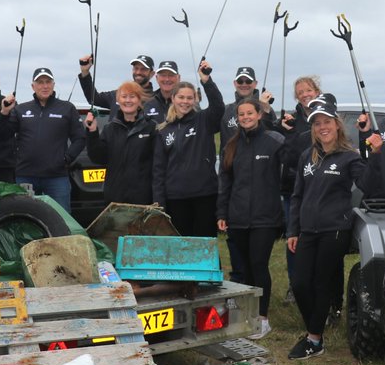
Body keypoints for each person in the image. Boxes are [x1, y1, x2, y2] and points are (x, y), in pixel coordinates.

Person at [286, 95, 373, 360]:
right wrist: (293, 230)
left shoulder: (349, 157)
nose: (322, 127)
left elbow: (367, 184)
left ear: (336, 124)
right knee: (300, 283)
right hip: (307, 230)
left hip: (335, 229)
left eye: (326, 122)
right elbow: (297, 196)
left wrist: (368, 147)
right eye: (317, 123)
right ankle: (316, 323)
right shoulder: (307, 156)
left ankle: (314, 339)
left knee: (321, 282)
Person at [217, 99, 285, 340]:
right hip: (237, 216)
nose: (245, 117)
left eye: (250, 113)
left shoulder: (273, 142)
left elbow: (289, 169)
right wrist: (222, 213)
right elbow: (225, 182)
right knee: (243, 268)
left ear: (259, 114)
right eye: (241, 114)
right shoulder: (231, 145)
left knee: (258, 265)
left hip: (265, 217)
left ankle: (262, 318)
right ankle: (245, 313)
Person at [0, 67, 86, 212]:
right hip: (25, 176)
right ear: (33, 86)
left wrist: (66, 158)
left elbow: (80, 138)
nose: (44, 86)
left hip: (57, 177)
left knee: (61, 217)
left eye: (48, 82)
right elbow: (2, 136)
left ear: (53, 85)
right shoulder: (21, 109)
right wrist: (4, 112)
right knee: (26, 217)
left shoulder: (67, 108)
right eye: (40, 82)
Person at [151, 63, 224, 237]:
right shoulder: (163, 130)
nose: (185, 101)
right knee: (181, 246)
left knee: (205, 244)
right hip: (175, 198)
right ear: (173, 98)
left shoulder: (203, 120)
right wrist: (159, 202)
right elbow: (158, 170)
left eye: (189, 98)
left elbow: (218, 106)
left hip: (204, 194)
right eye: (181, 97)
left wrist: (206, 81)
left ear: (195, 99)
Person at [277, 75, 322, 301]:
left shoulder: (325, 116)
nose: (305, 95)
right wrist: (288, 132)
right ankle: (294, 284)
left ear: (317, 92)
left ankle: (316, 283)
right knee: (294, 237)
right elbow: (287, 156)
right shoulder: (291, 120)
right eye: (300, 92)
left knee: (318, 238)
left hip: (321, 189)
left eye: (308, 90)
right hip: (294, 188)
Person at [84, 80, 156, 206]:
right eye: (124, 96)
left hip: (143, 199)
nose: (128, 100)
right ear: (118, 100)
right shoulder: (109, 129)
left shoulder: (151, 127)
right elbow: (97, 158)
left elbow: (158, 165)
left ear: (139, 100)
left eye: (132, 96)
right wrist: (92, 132)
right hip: (115, 199)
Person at [219, 66, 276, 150]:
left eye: (248, 81)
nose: (244, 84)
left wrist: (265, 110)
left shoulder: (267, 109)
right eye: (240, 81)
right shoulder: (225, 111)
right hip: (230, 158)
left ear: (255, 83)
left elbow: (273, 136)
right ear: (235, 83)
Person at [78, 53, 155, 111]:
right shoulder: (118, 94)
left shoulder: (156, 100)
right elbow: (94, 99)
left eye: (143, 69)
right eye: (136, 68)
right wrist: (85, 72)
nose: (138, 72)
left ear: (152, 74)